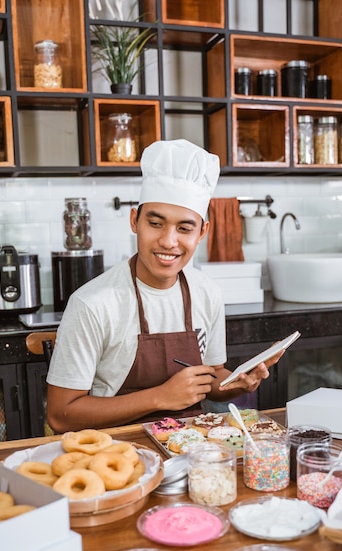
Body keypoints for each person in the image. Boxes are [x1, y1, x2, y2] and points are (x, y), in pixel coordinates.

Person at [46, 139, 280, 432]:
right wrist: (159, 397)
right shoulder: (93, 304)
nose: (169, 241)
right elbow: (59, 415)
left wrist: (240, 383)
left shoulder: (206, 293)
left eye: (184, 228)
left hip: (190, 449)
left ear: (202, 232)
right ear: (135, 220)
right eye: (155, 224)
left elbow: (210, 379)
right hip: (115, 454)